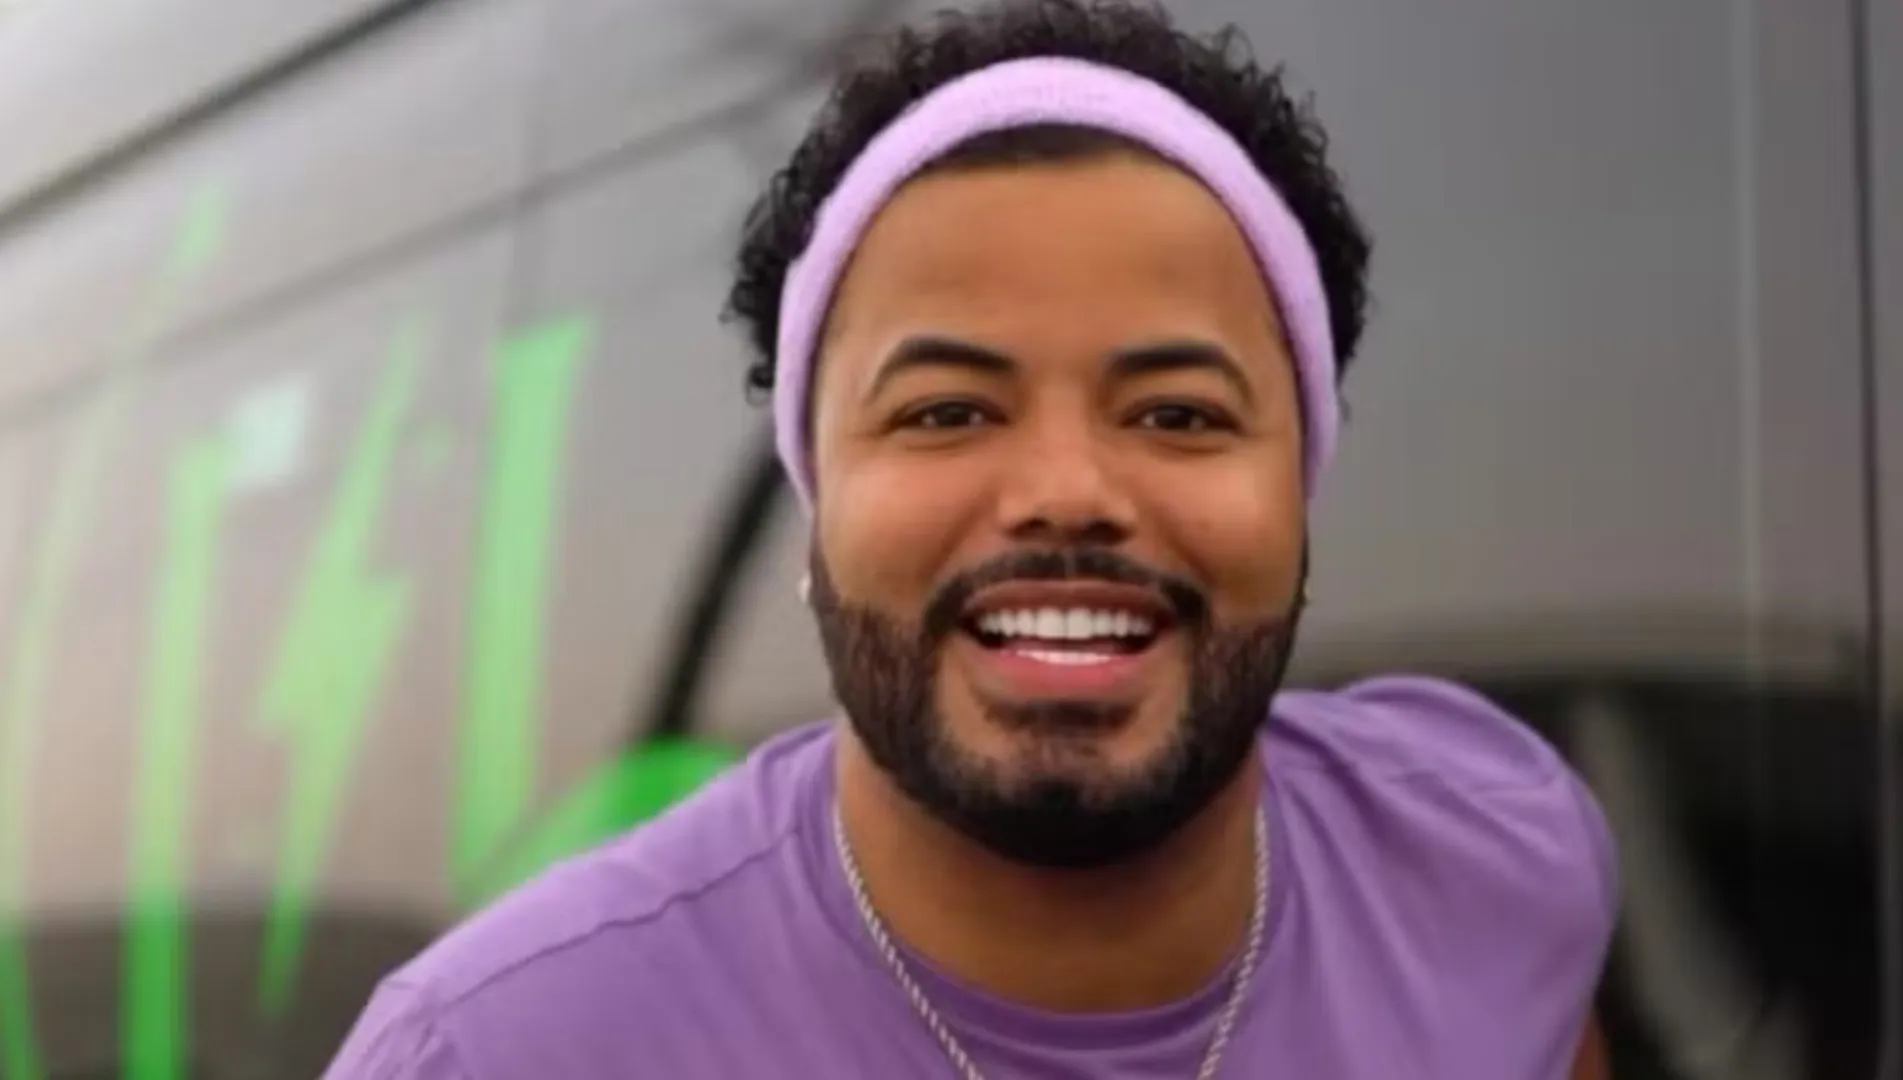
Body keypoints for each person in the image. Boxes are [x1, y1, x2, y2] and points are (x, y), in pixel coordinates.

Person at [324, 1, 1617, 1076]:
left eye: (1176, 413)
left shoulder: (1492, 861)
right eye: (947, 412)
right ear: (818, 503)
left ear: (1299, 489)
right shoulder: (496, 1049)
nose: (1066, 491)